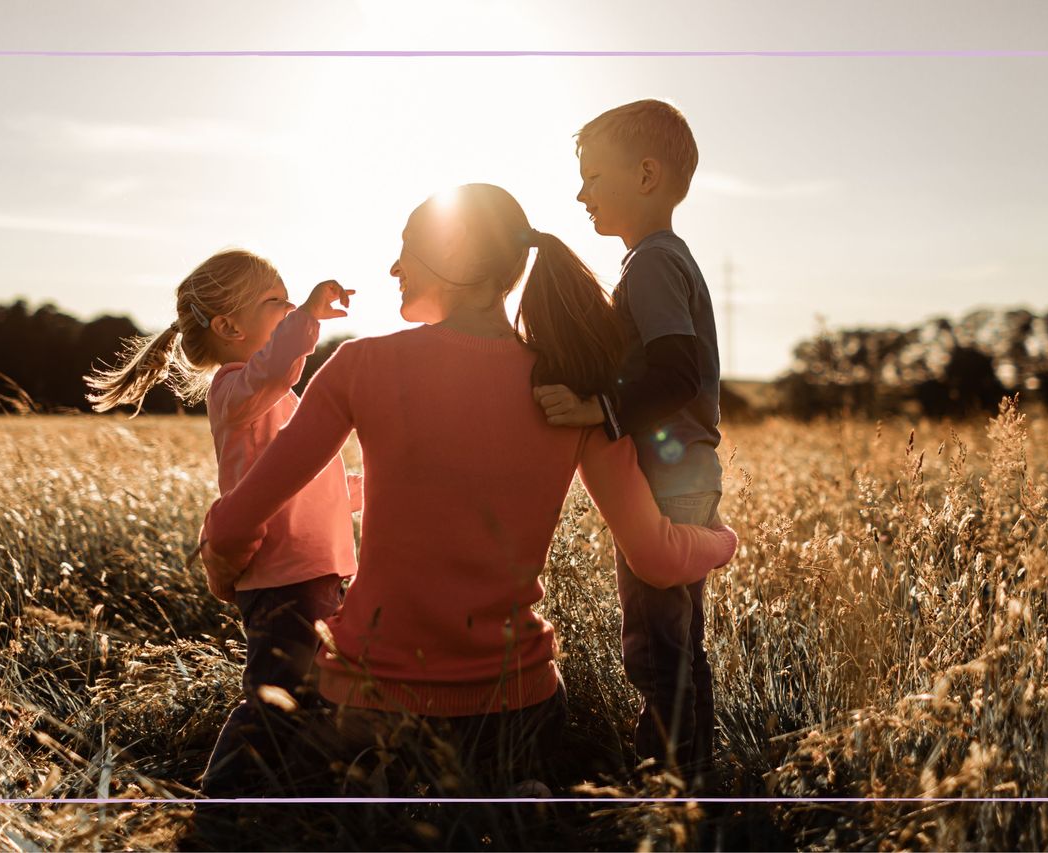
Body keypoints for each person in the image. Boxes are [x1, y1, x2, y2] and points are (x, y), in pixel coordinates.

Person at [199, 184, 738, 795]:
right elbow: (659, 559)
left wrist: (223, 564)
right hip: (516, 715)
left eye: (406, 250)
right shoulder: (573, 396)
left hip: (366, 714)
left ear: (452, 256)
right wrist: (722, 540)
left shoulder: (358, 366)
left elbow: (234, 520)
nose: (395, 268)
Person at [83, 248, 360, 796]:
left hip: (316, 573)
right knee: (273, 702)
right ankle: (221, 810)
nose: (286, 310)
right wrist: (307, 314)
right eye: (275, 302)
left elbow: (312, 481)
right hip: (284, 579)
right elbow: (275, 369)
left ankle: (295, 802)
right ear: (229, 326)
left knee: (316, 697)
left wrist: (374, 489)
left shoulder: (272, 399)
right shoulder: (236, 392)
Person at [533, 99, 725, 781]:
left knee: (656, 642)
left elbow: (678, 371)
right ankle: (693, 774)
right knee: (679, 637)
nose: (580, 193)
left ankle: (668, 783)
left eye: (592, 177)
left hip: (668, 478)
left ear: (646, 175)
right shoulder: (666, 258)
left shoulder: (649, 265)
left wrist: (597, 407)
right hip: (690, 471)